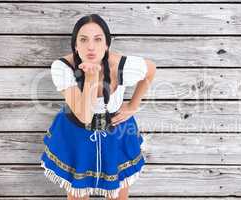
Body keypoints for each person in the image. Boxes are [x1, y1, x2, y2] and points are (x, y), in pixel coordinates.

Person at [39, 14, 156, 200]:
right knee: (78, 193)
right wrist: (91, 78)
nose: (91, 47)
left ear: (107, 45)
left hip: (116, 132)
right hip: (75, 132)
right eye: (83, 40)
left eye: (98, 39)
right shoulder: (61, 68)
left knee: (118, 193)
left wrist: (133, 105)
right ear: (76, 45)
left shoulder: (123, 66)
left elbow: (150, 69)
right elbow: (84, 115)